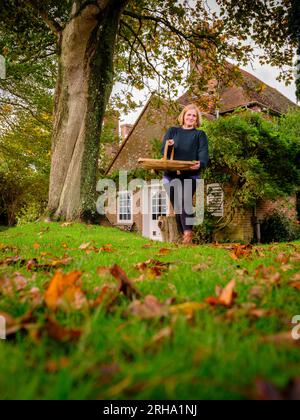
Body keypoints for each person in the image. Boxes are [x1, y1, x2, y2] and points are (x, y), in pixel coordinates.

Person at [160, 104, 209, 244]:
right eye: (189, 114)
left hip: (190, 174)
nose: (191, 117)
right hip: (171, 175)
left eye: (194, 115)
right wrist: (168, 145)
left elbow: (203, 152)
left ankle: (188, 235)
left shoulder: (200, 135)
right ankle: (184, 238)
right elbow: (162, 151)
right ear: (183, 116)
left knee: (185, 201)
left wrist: (201, 162)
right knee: (177, 206)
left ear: (197, 119)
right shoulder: (172, 131)